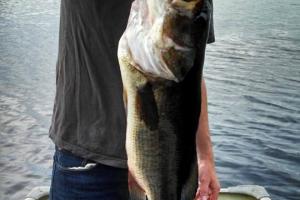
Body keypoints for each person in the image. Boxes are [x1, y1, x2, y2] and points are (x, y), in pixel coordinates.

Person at [48, 0, 220, 200]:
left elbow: (187, 69)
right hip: (88, 163)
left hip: (171, 167)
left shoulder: (188, 5)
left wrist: (205, 156)